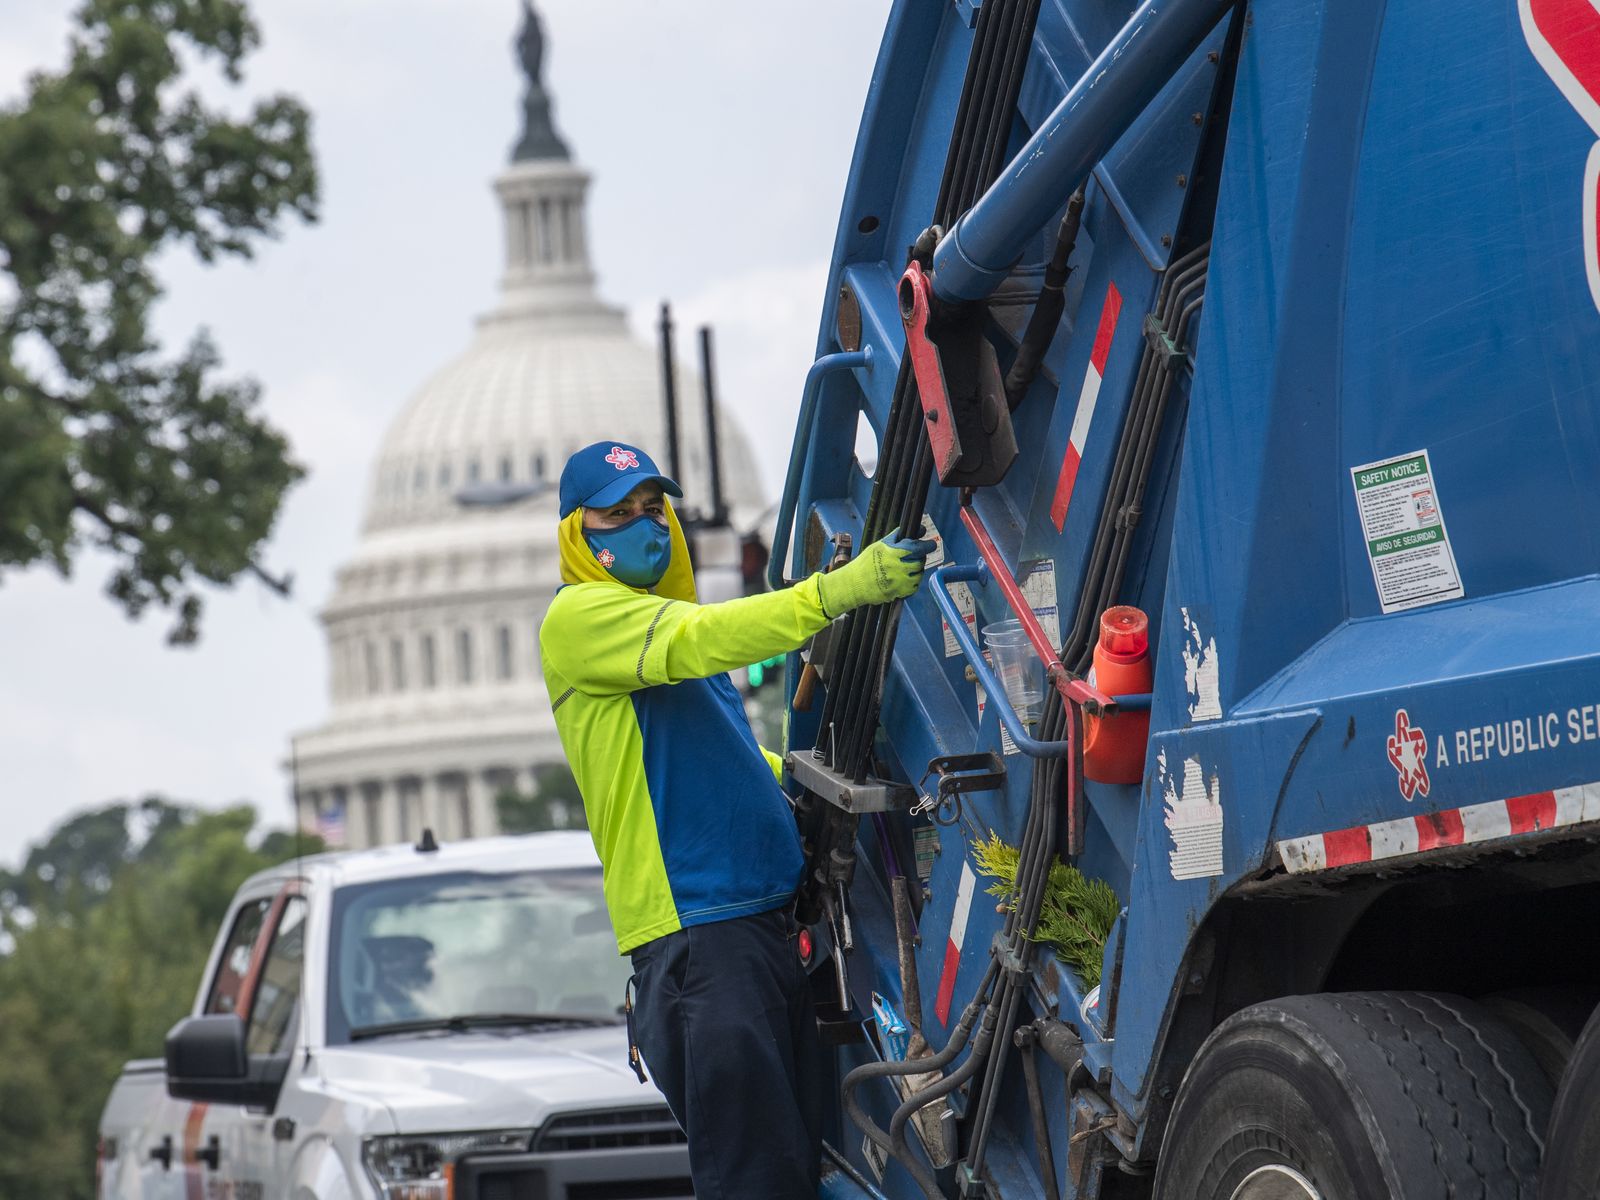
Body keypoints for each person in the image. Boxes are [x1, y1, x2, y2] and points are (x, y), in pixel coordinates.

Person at [539, 440, 934, 1199]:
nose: (645, 527)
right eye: (616, 515)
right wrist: (840, 590)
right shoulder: (583, 618)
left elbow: (728, 755)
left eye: (654, 510)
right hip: (703, 942)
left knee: (805, 1174)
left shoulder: (665, 636)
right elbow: (707, 635)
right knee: (759, 1183)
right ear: (575, 537)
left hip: (755, 934)